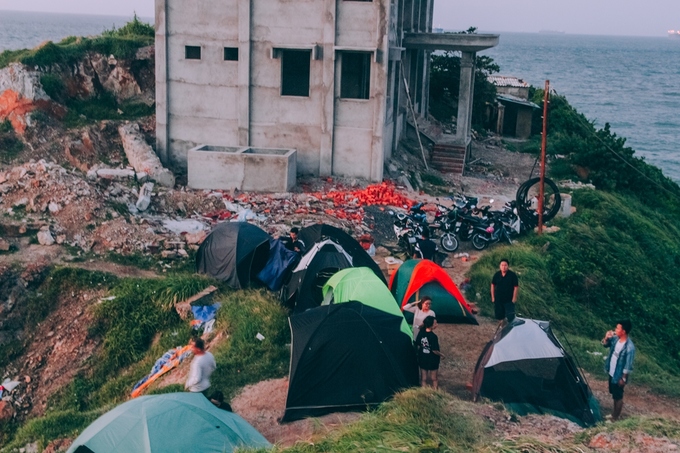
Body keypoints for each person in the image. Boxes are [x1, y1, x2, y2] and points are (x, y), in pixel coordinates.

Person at [602, 320, 636, 420]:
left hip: (619, 375)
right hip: (612, 371)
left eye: (618, 328)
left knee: (618, 396)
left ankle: (615, 418)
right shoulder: (616, 339)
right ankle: (613, 414)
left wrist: (623, 378)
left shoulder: (630, 347)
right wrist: (606, 337)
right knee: (614, 394)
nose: (615, 330)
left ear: (623, 331)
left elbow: (628, 365)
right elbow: (605, 344)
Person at [415, 316, 444, 389]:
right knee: (434, 378)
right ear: (431, 325)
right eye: (435, 323)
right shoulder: (433, 336)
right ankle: (435, 391)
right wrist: (442, 355)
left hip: (422, 357)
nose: (436, 324)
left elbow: (418, 343)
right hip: (432, 359)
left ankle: (423, 392)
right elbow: (434, 350)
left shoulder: (421, 332)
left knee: (423, 378)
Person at [491, 258, 519, 322]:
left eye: (505, 265)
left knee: (510, 316)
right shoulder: (497, 275)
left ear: (508, 266)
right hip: (498, 299)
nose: (503, 267)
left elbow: (516, 287)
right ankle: (502, 328)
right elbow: (492, 285)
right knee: (500, 316)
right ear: (500, 266)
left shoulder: (512, 275)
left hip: (509, 299)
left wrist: (514, 298)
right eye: (502, 265)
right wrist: (493, 297)